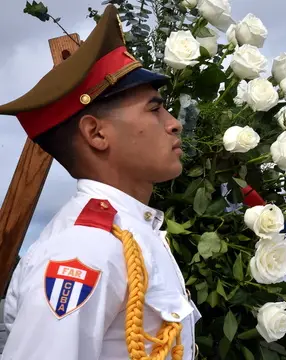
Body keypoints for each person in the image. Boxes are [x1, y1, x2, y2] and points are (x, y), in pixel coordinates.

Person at [0, 5, 201, 360]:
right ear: (96, 133)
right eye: (154, 109)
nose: (174, 123)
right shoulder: (85, 250)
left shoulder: (127, 232)